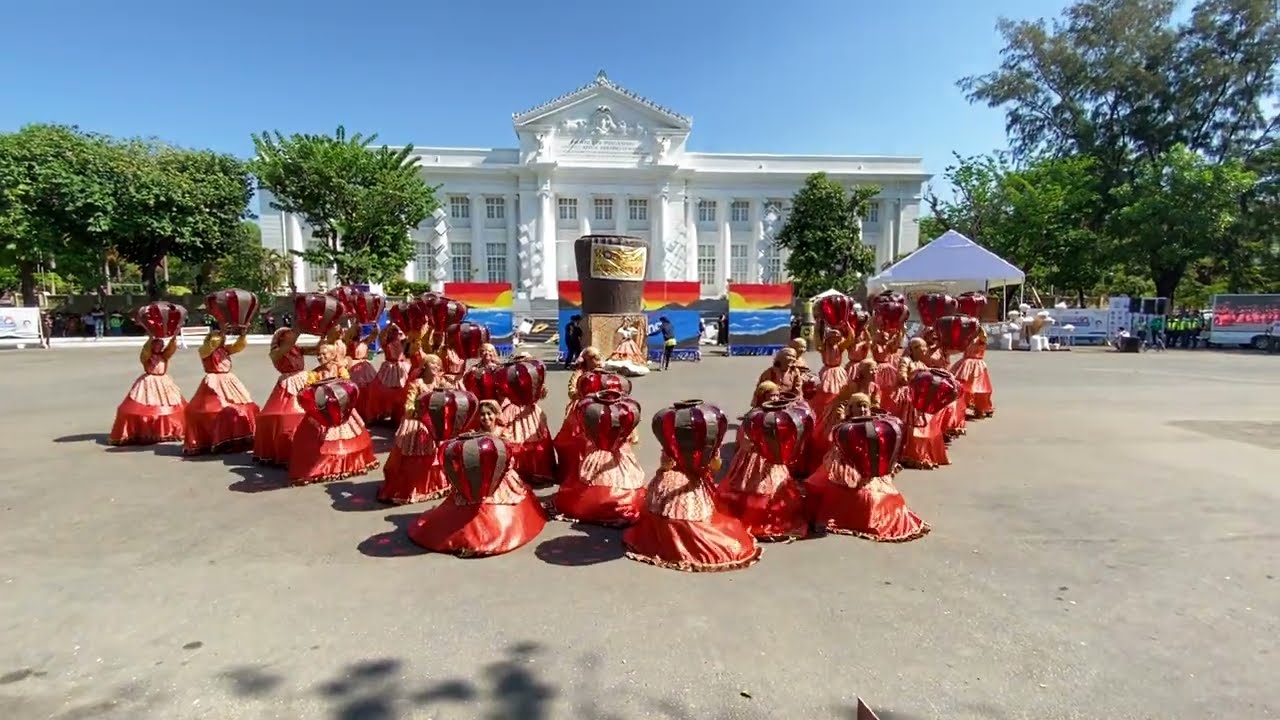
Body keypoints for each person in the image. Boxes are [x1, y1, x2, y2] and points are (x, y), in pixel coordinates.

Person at [622, 404, 760, 572]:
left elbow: (666, 465)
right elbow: (714, 467)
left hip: (666, 491)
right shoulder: (705, 447)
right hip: (688, 486)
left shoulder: (670, 444)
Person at [406, 430, 548, 558]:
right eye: (483, 415)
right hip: (472, 485)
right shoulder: (473, 440)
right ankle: (468, 542)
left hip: (496, 485)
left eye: (489, 415)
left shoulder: (503, 436)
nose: (486, 418)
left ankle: (475, 543)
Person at [805, 399, 930, 542]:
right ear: (851, 409)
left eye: (865, 406)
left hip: (867, 469)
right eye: (859, 406)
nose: (863, 409)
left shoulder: (875, 425)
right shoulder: (843, 427)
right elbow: (832, 440)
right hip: (844, 467)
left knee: (883, 498)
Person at [716, 398, 811, 542]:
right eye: (769, 396)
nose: (774, 399)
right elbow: (745, 442)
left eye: (775, 396)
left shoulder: (781, 420)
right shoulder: (752, 421)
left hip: (772, 461)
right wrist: (761, 446)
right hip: (754, 461)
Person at [551, 391, 646, 527]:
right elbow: (634, 439)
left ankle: (592, 504)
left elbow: (584, 435)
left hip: (597, 456)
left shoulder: (590, 415)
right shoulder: (625, 416)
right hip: (618, 457)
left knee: (584, 482)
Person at [288, 344, 379, 485]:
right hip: (322, 411)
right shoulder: (314, 374)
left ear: (332, 356)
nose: (320, 357)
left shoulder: (340, 370)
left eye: (324, 354)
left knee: (351, 436)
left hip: (341, 409)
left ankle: (345, 463)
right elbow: (307, 391)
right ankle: (325, 466)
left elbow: (347, 386)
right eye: (318, 354)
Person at [379, 354, 451, 504]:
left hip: (435, 422)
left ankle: (435, 484)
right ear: (425, 367)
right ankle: (413, 487)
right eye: (433, 364)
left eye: (438, 365)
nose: (436, 368)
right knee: (414, 455)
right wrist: (418, 411)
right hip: (419, 422)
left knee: (437, 453)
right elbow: (409, 404)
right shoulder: (417, 384)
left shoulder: (440, 381)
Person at [183, 330, 258, 455]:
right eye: (218, 336)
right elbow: (212, 344)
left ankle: (238, 436)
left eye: (222, 336)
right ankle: (217, 438)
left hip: (229, 380)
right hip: (214, 381)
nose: (222, 338)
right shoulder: (204, 350)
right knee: (213, 410)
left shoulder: (225, 349)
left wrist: (243, 334)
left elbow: (238, 346)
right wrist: (221, 331)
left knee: (243, 406)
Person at [110, 336, 186, 445]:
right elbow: (145, 351)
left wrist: (173, 338)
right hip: (148, 381)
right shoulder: (147, 357)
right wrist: (150, 337)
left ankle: (166, 431)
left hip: (163, 381)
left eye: (160, 346)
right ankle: (145, 431)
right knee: (146, 407)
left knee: (168, 406)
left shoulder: (164, 356)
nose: (158, 347)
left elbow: (171, 349)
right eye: (156, 345)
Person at [251, 328, 309, 466]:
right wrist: (300, 328)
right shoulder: (276, 352)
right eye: (288, 334)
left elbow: (316, 349)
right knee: (287, 415)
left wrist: (324, 334)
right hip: (288, 383)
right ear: (282, 338)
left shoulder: (297, 348)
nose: (292, 335)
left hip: (304, 379)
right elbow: (287, 347)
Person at [499, 361, 557, 487]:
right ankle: (519, 473)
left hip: (531, 410)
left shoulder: (533, 380)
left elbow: (541, 394)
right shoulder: (509, 378)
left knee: (536, 439)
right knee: (517, 439)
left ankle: (536, 473)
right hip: (514, 409)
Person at [893, 340, 950, 469]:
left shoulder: (924, 363)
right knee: (913, 427)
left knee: (928, 426)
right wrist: (911, 379)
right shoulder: (906, 361)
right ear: (912, 349)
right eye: (917, 348)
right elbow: (901, 377)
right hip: (912, 398)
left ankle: (925, 453)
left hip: (924, 398)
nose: (922, 350)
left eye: (923, 347)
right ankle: (912, 454)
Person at [366, 323, 411, 425]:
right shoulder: (385, 341)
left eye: (396, 332)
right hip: (388, 367)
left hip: (401, 367)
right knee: (377, 389)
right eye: (392, 332)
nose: (394, 334)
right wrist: (388, 325)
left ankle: (398, 416)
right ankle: (381, 414)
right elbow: (381, 335)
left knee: (401, 391)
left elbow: (410, 338)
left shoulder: (403, 340)